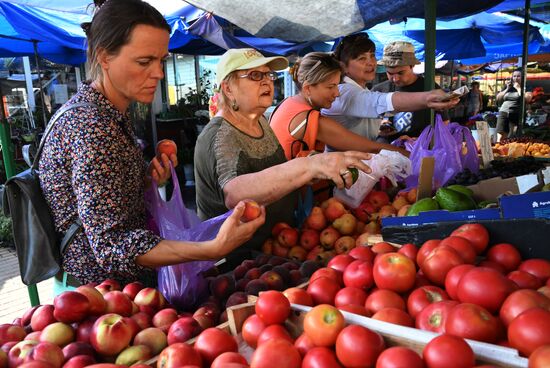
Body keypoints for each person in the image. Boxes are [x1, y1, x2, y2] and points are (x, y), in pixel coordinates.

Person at [38, 0, 265, 288]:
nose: (158, 73)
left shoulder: (106, 114)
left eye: (162, 61)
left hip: (114, 293)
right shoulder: (93, 126)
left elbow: (105, 201)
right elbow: (113, 245)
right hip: (100, 300)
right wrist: (213, 248)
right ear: (104, 57)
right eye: (145, 62)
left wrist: (146, 178)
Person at [194, 48, 371, 254]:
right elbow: (235, 194)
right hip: (239, 263)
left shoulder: (259, 120)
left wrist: (312, 169)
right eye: (255, 75)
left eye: (268, 74)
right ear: (228, 88)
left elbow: (271, 173)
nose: (267, 81)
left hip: (277, 246)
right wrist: (307, 166)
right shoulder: (219, 135)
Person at [269, 51, 409, 160]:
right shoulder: (310, 119)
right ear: (308, 88)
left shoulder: (287, 103)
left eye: (337, 85)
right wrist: (412, 155)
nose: (337, 93)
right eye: (331, 87)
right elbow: (371, 148)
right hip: (294, 196)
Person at [372, 41, 451, 143]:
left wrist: (422, 141)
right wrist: (378, 127)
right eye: (390, 73)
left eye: (401, 73)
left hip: (419, 150)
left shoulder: (430, 88)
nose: (395, 79)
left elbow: (445, 122)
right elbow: (367, 124)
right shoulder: (378, 90)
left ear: (412, 66)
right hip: (386, 150)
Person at [496, 69, 533, 139]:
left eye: (518, 76)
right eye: (514, 76)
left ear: (523, 77)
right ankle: (499, 147)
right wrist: (507, 89)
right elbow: (498, 98)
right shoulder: (508, 86)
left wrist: (519, 88)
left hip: (516, 113)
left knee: (512, 135)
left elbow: (528, 99)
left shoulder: (526, 86)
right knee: (500, 132)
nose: (516, 78)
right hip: (504, 111)